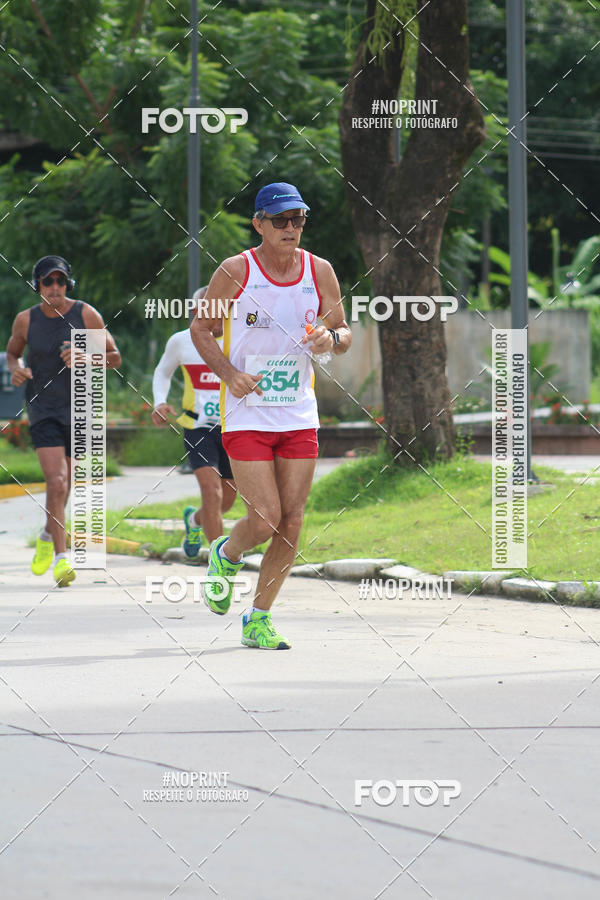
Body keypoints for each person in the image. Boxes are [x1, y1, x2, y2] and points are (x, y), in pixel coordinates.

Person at [191, 182, 351, 649]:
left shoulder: (319, 271)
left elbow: (342, 331)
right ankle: (226, 551)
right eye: (279, 219)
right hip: (247, 414)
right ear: (258, 223)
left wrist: (330, 339)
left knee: (294, 519)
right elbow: (201, 328)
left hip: (298, 412)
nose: (290, 228)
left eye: (298, 219)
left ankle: (258, 617)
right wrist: (228, 373)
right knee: (264, 518)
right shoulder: (236, 270)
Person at [6, 255, 121, 586]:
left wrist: (88, 357)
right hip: (43, 410)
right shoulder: (25, 321)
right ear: (37, 285)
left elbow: (115, 357)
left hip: (79, 407)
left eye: (60, 281)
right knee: (56, 482)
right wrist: (16, 370)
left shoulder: (85, 314)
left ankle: (45, 534)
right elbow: (13, 353)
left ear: (68, 284)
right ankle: (61, 558)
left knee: (65, 484)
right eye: (47, 281)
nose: (54, 287)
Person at [151, 287, 237, 555]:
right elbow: (162, 372)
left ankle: (194, 520)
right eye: (206, 311)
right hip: (197, 426)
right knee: (212, 493)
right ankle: (219, 561)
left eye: (220, 310)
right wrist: (159, 402)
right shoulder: (181, 341)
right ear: (195, 313)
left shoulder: (240, 340)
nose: (214, 318)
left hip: (235, 428)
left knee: (227, 500)